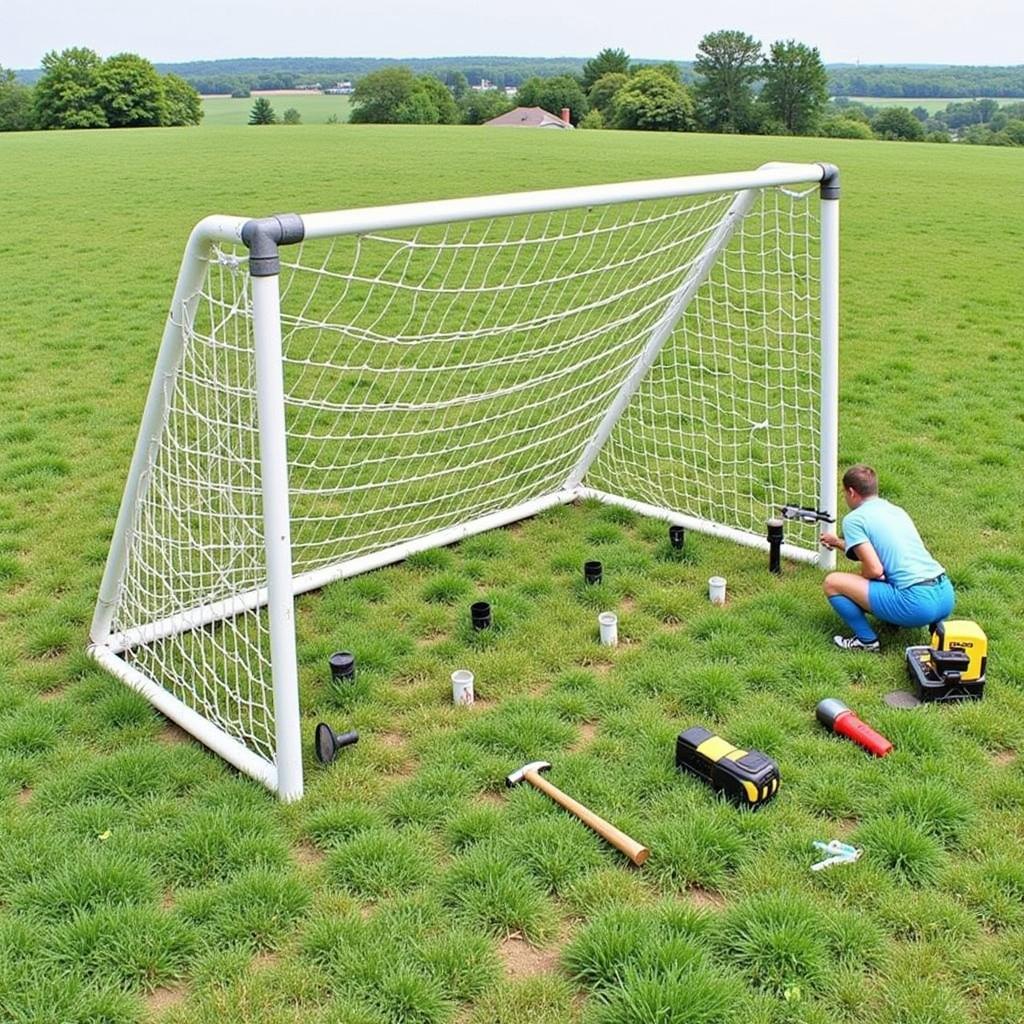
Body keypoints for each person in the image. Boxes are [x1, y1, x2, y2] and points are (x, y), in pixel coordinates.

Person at [819, 464, 954, 651]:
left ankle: (866, 641)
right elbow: (885, 550)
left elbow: (874, 569)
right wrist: (838, 542)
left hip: (917, 605)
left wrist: (866, 577)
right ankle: (932, 630)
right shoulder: (896, 511)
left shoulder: (854, 519)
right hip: (945, 595)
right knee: (884, 578)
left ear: (851, 492)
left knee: (832, 582)